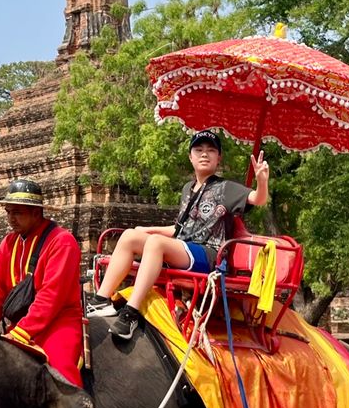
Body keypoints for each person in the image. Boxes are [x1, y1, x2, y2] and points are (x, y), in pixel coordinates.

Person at [85, 129, 270, 339]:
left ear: (219, 158)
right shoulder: (188, 188)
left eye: (211, 150)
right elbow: (180, 229)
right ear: (190, 157)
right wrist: (146, 230)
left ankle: (131, 313)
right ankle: (101, 300)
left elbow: (258, 199)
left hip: (208, 254)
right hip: (183, 247)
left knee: (156, 243)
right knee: (129, 236)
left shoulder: (225, 188)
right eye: (198, 149)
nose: (204, 154)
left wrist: (261, 180)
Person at [0, 178, 85, 386]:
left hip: (59, 322)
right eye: (8, 212)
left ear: (36, 212)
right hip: (18, 326)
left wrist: (20, 334)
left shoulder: (62, 241)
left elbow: (51, 298)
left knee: (60, 379)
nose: (11, 219)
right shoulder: (9, 242)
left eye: (18, 213)